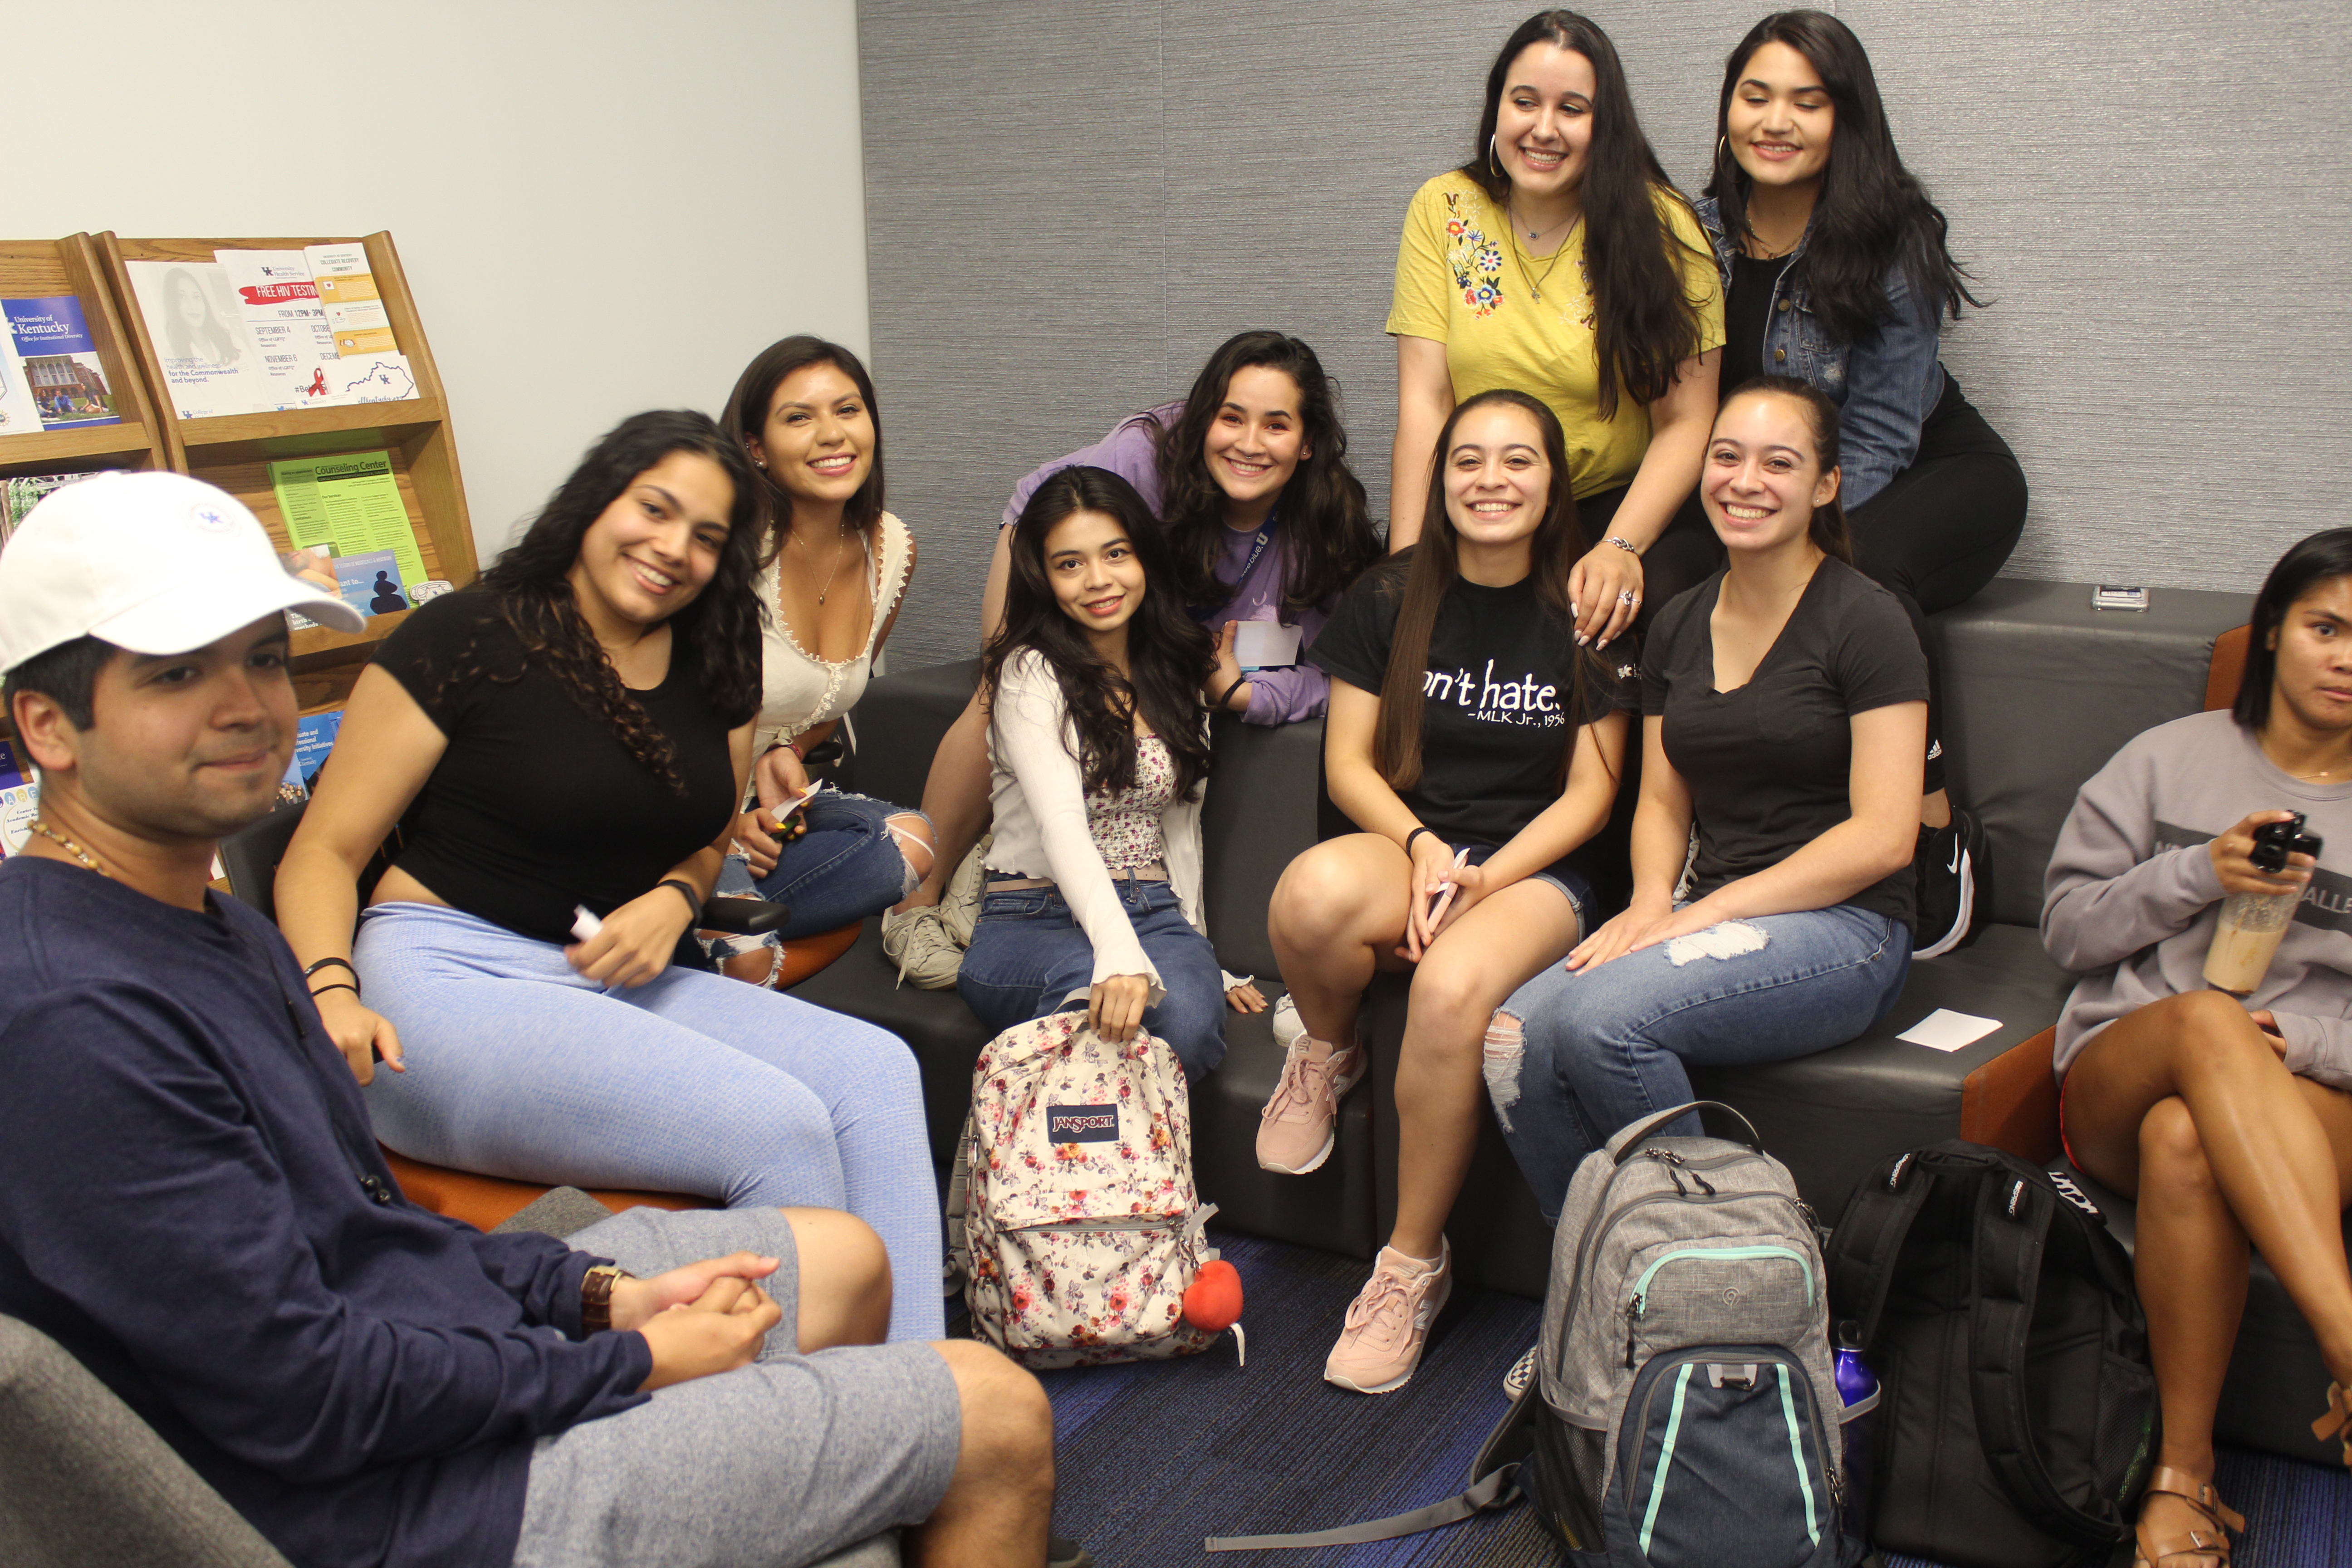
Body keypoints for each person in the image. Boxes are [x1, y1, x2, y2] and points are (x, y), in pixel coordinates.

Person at [0, 470, 1077, 1568]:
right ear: (48, 725)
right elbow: (306, 1394)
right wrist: (633, 1361)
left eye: (264, 658)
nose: (245, 705)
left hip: (417, 1345)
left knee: (843, 1259)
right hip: (402, 1505)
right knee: (991, 1409)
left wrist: (599, 1293)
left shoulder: (203, 922)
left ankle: (857, 1487)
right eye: (180, 673)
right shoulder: (72, 1017)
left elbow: (370, 1239)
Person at [273, 411, 946, 1342]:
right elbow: (323, 851)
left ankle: (918, 1407)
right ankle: (806, 1442)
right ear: (597, 499)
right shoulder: (466, 634)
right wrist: (331, 991)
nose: (674, 549)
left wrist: (675, 898)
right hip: (441, 982)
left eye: (708, 537)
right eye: (654, 510)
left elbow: (710, 837)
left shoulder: (719, 648)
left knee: (877, 1072)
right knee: (779, 1128)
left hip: (605, 972)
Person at [1261, 389, 1631, 1393]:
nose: (1491, 481)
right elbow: (1348, 768)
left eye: (1519, 461)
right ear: (1441, 478)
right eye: (1469, 461)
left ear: (1553, 484)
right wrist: (1424, 848)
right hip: (1416, 840)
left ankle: (1410, 1264)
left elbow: (1595, 797)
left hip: (1538, 867)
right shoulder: (1389, 596)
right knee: (1309, 897)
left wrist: (1481, 880)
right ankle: (1328, 1051)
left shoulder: (1585, 610)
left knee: (1452, 989)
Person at [1486, 376, 1924, 1223]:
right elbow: (1660, 806)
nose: (1744, 481)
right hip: (1706, 909)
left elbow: (1883, 837)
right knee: (1511, 1040)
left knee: (1603, 1024)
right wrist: (1653, 901)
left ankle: (1726, 1277)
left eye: (1779, 463)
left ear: (1825, 485)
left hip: (1849, 925)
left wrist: (1699, 916)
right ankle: (1604, 1289)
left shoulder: (1869, 620)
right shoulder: (1681, 620)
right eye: (1726, 456)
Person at [884, 330, 1382, 986]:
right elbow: (1067, 529)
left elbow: (1346, 672)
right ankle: (915, 904)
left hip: (1174, 625)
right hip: (1065, 561)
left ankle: (997, 870)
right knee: (1007, 688)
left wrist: (1250, 696)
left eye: (1277, 424)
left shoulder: (1324, 525)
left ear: (1309, 440)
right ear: (1205, 418)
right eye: (1231, 418)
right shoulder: (1147, 457)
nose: (1249, 443)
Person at [2044, 530, 2352, 1565]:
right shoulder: (2167, 756)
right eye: (2327, 627)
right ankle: (2346, 1338)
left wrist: (2302, 1036)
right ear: (2273, 633)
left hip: (2307, 1095)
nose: (2347, 657)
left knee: (2191, 1140)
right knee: (2204, 1032)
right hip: (2124, 1072)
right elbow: (2069, 934)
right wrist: (2198, 876)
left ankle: (2181, 1476)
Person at [1695, 9, 2029, 956]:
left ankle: (1931, 842)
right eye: (1756, 96)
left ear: (1846, 119)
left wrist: (1784, 541)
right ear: (1727, 110)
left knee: (1866, 582)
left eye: (1809, 101)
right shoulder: (1695, 232)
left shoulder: (1888, 235)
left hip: (1931, 471)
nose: (1777, 120)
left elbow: (1879, 433)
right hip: (1779, 485)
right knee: (1674, 590)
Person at [1388, 8, 1725, 650]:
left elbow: (1687, 421)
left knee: (1626, 615)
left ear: (1606, 125)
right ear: (1497, 111)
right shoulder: (1445, 207)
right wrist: (1408, 564)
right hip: (1482, 502)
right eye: (1524, 102)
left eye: (1572, 108)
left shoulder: (1665, 227)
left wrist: (1621, 547)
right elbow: (1426, 402)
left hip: (1614, 505)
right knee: (1403, 625)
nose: (1544, 129)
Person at [956, 465, 1256, 1078]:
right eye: (1070, 564)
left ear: (1143, 556)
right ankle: (1045, 1170)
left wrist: (1193, 958)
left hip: (1155, 911)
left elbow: (1180, 830)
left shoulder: (1173, 671)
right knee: (1100, 1007)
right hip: (1033, 917)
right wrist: (1120, 955)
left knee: (1189, 1023)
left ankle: (1078, 1172)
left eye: (1115, 554)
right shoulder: (1029, 674)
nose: (1098, 581)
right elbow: (1061, 823)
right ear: (1044, 577)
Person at [706, 336, 935, 985]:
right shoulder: (730, 550)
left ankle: (712, 946)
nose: (831, 435)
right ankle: (729, 946)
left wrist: (788, 752)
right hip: (690, 812)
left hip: (775, 810)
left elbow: (825, 703)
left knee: (911, 839)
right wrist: (728, 824)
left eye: (848, 410)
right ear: (756, 446)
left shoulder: (892, 545)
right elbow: (663, 725)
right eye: (799, 417)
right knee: (760, 948)